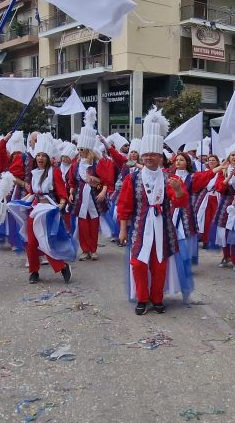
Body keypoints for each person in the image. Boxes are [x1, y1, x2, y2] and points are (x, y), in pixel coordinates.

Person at [117, 108, 193, 315]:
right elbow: (124, 206)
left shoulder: (169, 177)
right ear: (142, 156)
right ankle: (142, 298)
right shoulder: (132, 178)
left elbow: (181, 203)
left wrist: (178, 191)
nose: (149, 158)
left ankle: (157, 297)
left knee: (160, 264)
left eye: (153, 154)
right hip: (140, 227)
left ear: (160, 157)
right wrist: (123, 229)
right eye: (146, 154)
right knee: (138, 263)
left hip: (163, 227)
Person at [17, 134, 74, 285]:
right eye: (38, 155)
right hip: (35, 210)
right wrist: (17, 202)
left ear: (48, 158)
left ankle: (62, 267)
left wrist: (61, 204)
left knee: (46, 241)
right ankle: (34, 271)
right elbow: (32, 192)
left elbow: (62, 192)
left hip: (48, 211)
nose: (40, 158)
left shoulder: (54, 172)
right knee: (31, 242)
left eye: (43, 155)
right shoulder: (34, 173)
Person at [71, 109, 114, 261]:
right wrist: (71, 192)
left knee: (94, 223)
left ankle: (93, 249)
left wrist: (102, 190)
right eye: (79, 149)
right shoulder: (75, 164)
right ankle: (85, 249)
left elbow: (106, 180)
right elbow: (72, 180)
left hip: (94, 196)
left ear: (88, 150)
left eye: (82, 149)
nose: (80, 151)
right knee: (82, 223)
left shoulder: (97, 163)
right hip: (81, 197)